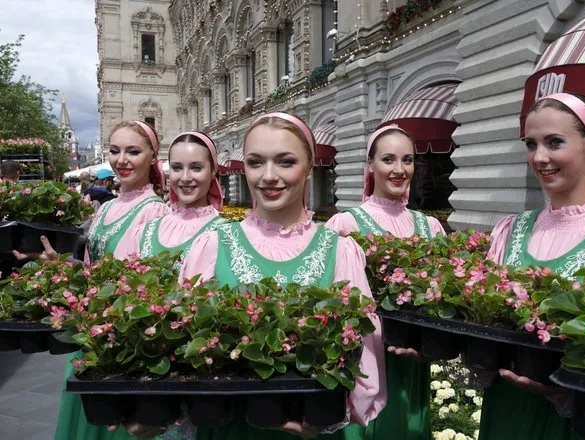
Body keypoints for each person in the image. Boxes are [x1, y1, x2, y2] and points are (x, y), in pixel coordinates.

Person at [180, 112, 386, 439]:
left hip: (314, 427)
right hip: (230, 428)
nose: (268, 176)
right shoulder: (211, 246)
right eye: (255, 162)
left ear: (309, 167)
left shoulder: (339, 249)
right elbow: (184, 343)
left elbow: (364, 348)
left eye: (286, 162)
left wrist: (338, 413)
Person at [479, 92, 585, 440]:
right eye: (530, 144)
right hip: (505, 408)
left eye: (554, 142)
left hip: (577, 422)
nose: (540, 157)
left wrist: (561, 391)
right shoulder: (510, 229)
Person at [325, 125, 446, 440]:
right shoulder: (346, 223)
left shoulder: (430, 227)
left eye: (407, 160)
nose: (399, 169)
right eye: (388, 159)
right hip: (361, 360)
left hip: (411, 358)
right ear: (370, 165)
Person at [54, 120, 170, 440]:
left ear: (151, 157)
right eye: (115, 151)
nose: (122, 160)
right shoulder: (107, 209)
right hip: (92, 329)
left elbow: (152, 285)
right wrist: (59, 266)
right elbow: (90, 268)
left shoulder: (155, 211)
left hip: (125, 337)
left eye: (133, 151)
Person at [115, 131, 225, 263]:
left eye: (196, 168)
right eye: (177, 168)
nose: (185, 178)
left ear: (213, 170)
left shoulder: (225, 234)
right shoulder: (145, 231)